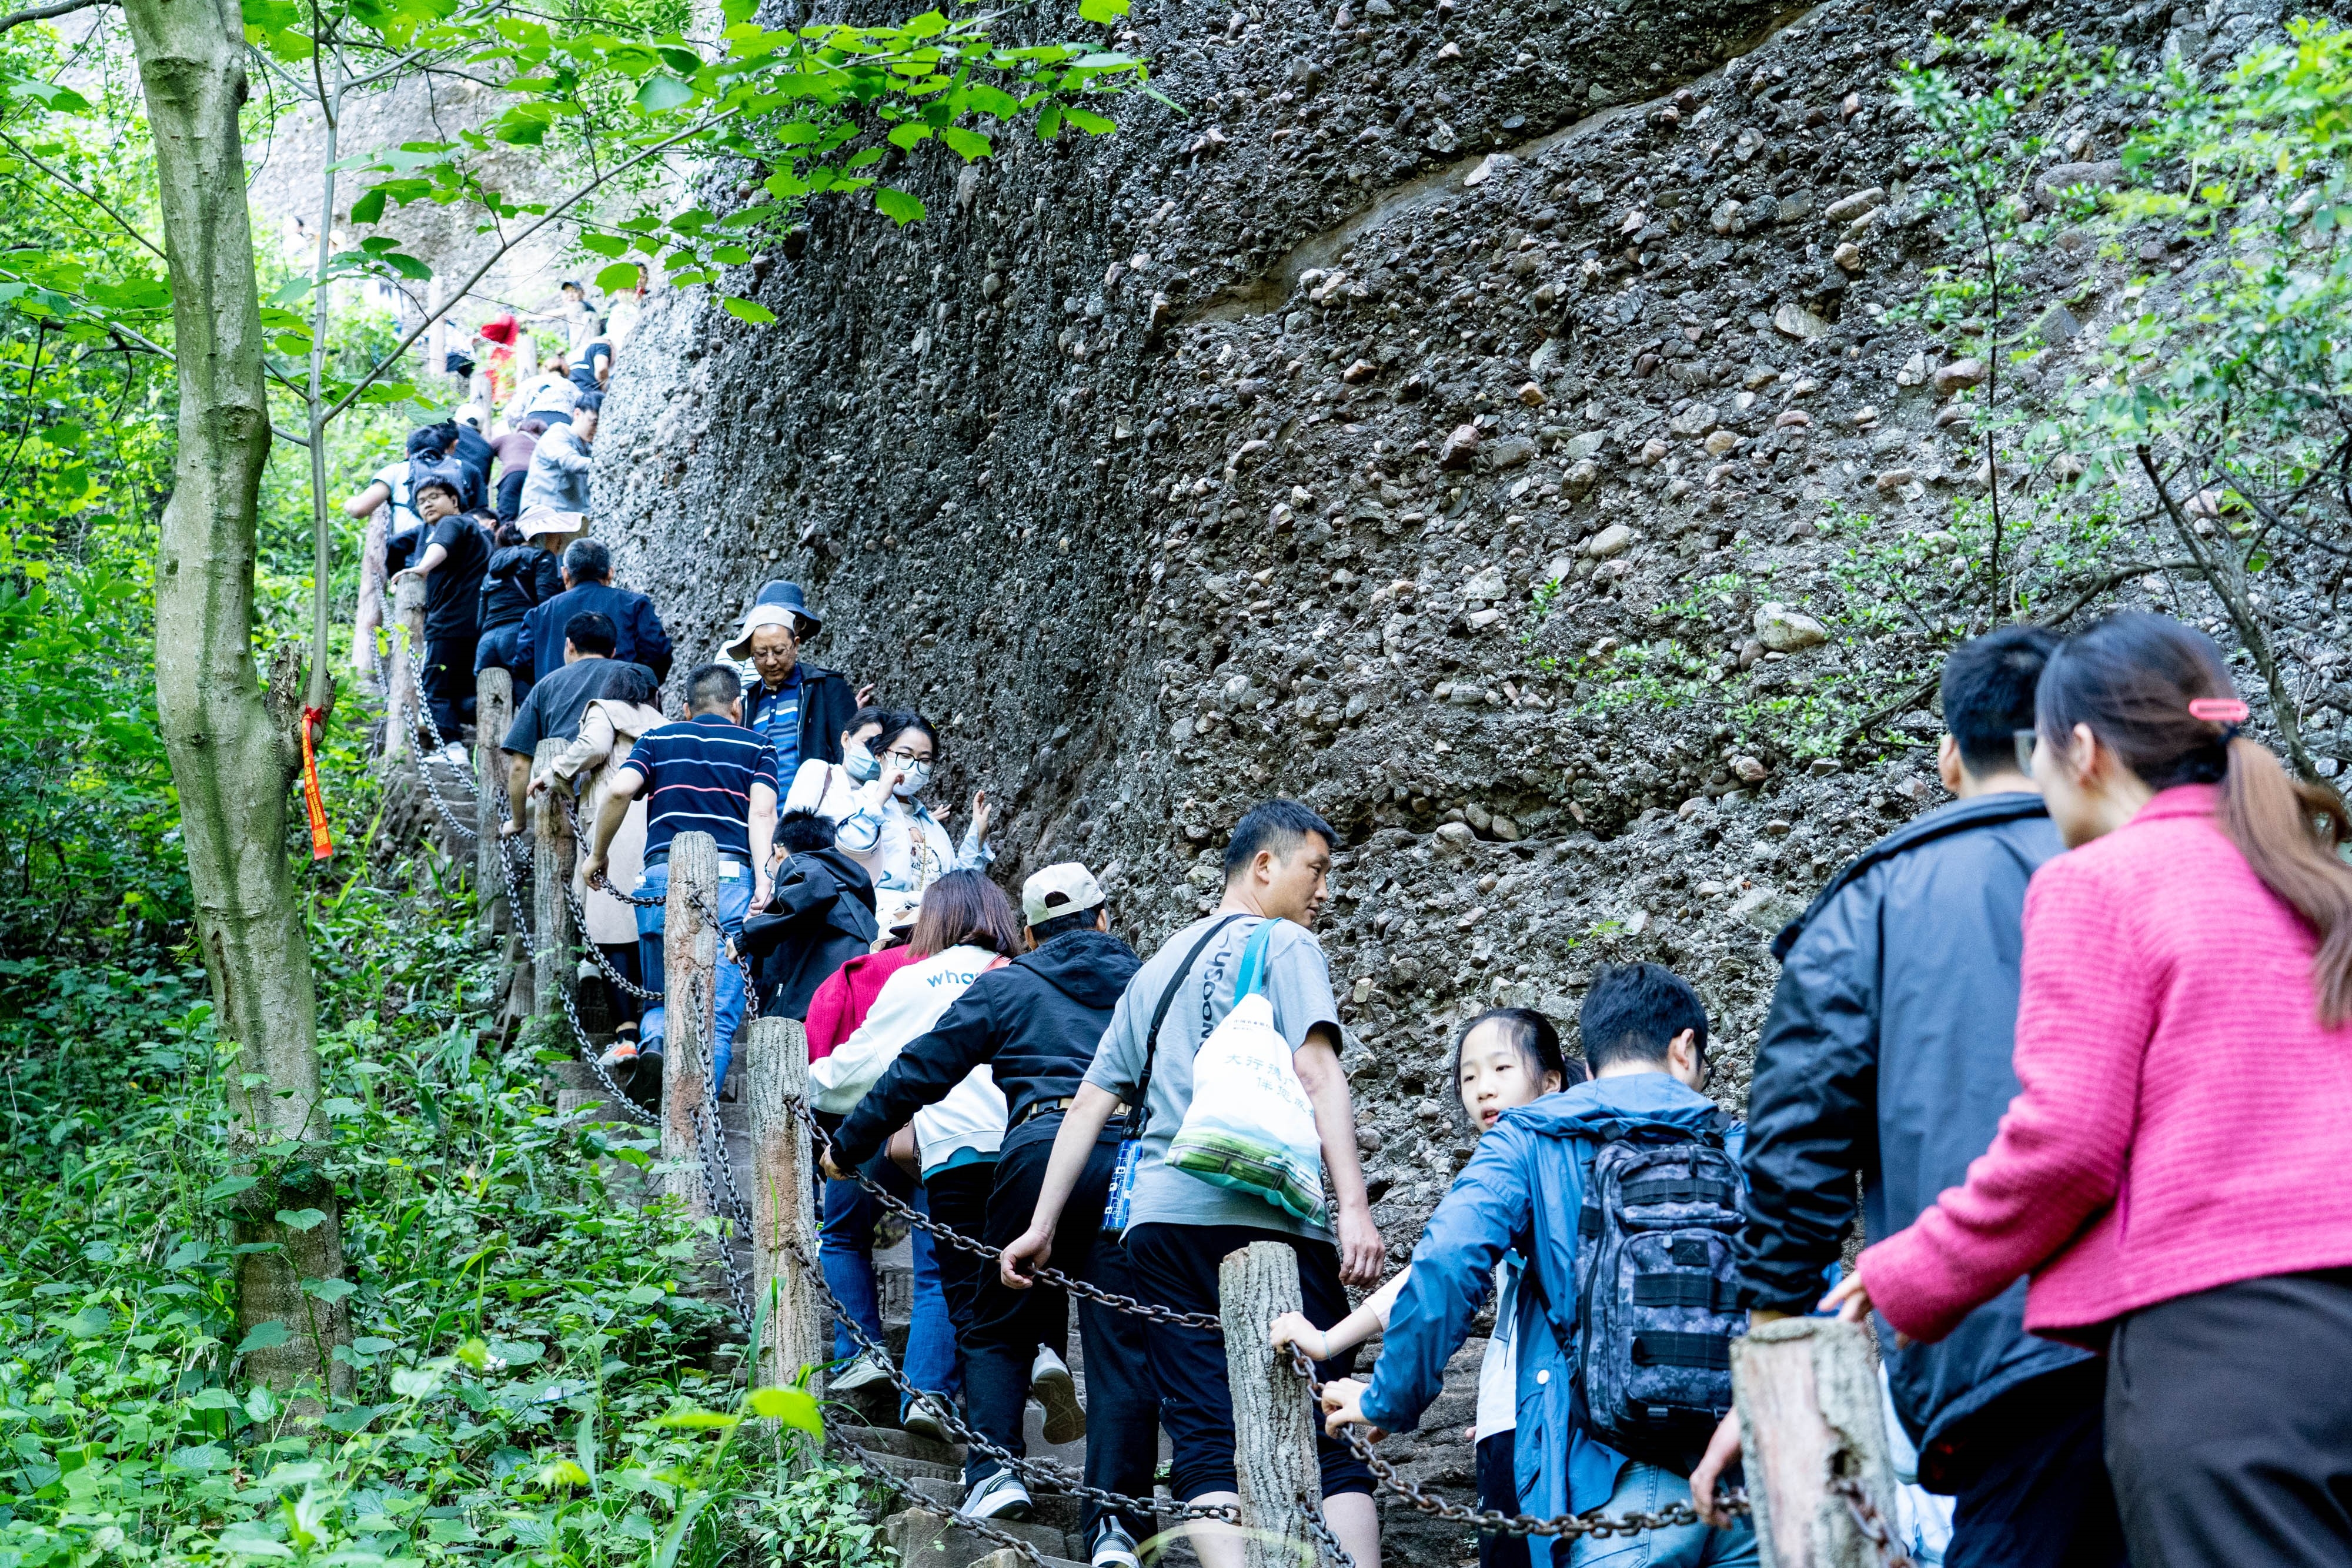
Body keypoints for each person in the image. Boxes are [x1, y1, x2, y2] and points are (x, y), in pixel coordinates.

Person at [1806, 613, 2352, 1568]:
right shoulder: (2313, 879)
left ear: (2085, 751)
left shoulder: (2096, 881)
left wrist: (1907, 1271)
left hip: (2225, 1353)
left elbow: (2066, 1143)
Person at [1689, 628, 2120, 1567]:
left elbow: (1794, 1156)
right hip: (2196, 1334)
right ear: (2081, 739)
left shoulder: (1871, 904)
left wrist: (1772, 1374)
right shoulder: (2156, 866)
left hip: (1999, 1349)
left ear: (1949, 755)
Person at [1000, 800, 1384, 1568]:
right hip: (1271, 1210)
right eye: (1317, 868)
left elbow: (1092, 1100)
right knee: (1328, 1424)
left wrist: (1041, 1224)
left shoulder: (1156, 965)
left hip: (1162, 1223)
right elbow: (1317, 1071)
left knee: (1206, 1435)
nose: (1325, 889)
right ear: (1265, 865)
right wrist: (1353, 1206)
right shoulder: (1287, 943)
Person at [1318, 965, 1758, 1568]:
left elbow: (1446, 1261)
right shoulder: (1744, 1147)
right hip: (1756, 1480)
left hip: (1611, 1479)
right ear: (1685, 1049)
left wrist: (1392, 1398)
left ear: (1591, 1065)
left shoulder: (1529, 1140)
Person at [827, 863, 1155, 1567]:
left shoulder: (1010, 984)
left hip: (1038, 1148)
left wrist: (848, 1149)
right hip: (1132, 1160)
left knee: (995, 1324)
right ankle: (1115, 1530)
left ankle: (995, 1473)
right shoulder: (1149, 986)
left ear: (1031, 934)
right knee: (1121, 1346)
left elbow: (919, 1070)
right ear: (1105, 918)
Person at [1272, 1011, 1585, 1568]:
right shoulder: (1563, 1160)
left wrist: (1336, 1352)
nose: (1482, 1087)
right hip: (1537, 1416)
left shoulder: (1529, 1159)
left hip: (1540, 1427)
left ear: (1552, 1080)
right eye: (1468, 1077)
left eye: (1501, 1068)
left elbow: (1435, 1273)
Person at [811, 871, 1017, 1443]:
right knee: (938, 1270)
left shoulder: (911, 976)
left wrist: (798, 1088)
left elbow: (845, 1078)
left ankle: (862, 1353)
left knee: (842, 1233)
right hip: (1003, 1147)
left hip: (909, 1133)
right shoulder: (1020, 976)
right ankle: (928, 1392)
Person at [583, 663, 777, 1097]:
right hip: (730, 881)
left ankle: (655, 1050)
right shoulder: (759, 746)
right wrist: (765, 882)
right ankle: (697, 1118)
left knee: (660, 995)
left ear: (686, 708)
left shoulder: (657, 738)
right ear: (737, 707)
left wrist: (597, 856)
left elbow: (618, 791)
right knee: (718, 1018)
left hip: (659, 879)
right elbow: (762, 814)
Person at [532, 661, 666, 1039]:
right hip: (657, 826)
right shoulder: (663, 722)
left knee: (610, 928)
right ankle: (655, 1026)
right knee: (646, 926)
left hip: (615, 825)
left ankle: (626, 1033)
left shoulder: (603, 709)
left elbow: (593, 747)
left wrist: (552, 773)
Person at [498, 611, 654, 833]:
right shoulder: (639, 675)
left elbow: (520, 766)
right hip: (634, 793)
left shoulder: (545, 686)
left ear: (569, 645)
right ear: (613, 651)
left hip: (569, 800)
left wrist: (518, 822)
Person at [833, 712, 991, 900]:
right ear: (880, 754)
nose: (915, 766)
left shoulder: (932, 826)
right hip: (884, 923)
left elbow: (959, 891)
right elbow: (848, 853)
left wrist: (977, 838)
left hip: (936, 922)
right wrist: (880, 799)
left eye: (924, 760)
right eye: (905, 755)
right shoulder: (856, 803)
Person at [737, 808, 878, 1019]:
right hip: (863, 991)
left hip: (823, 1003)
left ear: (779, 851)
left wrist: (746, 938)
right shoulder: (849, 884)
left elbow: (812, 887)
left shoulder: (801, 864)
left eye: (770, 869)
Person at [386, 476, 490, 753]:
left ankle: (451, 749)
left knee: (435, 688)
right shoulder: (474, 531)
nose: (427, 504)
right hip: (476, 624)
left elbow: (440, 545)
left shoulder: (453, 523)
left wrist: (421, 568)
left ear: (454, 501)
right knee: (463, 693)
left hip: (450, 623)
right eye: (421, 502)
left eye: (434, 497)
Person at [726, 580, 867, 779]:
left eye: (779, 651)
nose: (771, 661)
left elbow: (849, 757)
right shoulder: (746, 704)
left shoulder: (828, 688)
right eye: (760, 653)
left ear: (796, 644)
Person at [519, 536, 671, 688]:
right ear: (610, 573)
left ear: (565, 574)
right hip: (620, 702)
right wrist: (639, 689)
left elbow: (523, 664)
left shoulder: (538, 614)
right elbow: (657, 654)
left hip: (558, 705)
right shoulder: (634, 605)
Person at [474, 511, 574, 706]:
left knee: (493, 703)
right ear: (541, 536)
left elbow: (481, 619)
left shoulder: (491, 571)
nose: (560, 543)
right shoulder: (541, 558)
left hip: (487, 643)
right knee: (528, 702)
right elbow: (546, 606)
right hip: (519, 637)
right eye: (556, 536)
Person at [783, 707, 892, 826]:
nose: (874, 753)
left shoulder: (887, 795)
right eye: (868, 743)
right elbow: (790, 828)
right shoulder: (819, 771)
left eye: (881, 749)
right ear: (845, 739)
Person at [520, 391, 597, 516]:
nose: (597, 429)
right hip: (544, 517)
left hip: (567, 518)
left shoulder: (588, 447)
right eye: (594, 422)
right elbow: (571, 462)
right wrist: (607, 463)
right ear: (577, 414)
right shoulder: (557, 433)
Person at [490, 416, 547, 524]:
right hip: (537, 479)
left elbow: (486, 449)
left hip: (514, 474)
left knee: (506, 518)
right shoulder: (542, 444)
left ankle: (503, 537)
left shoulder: (509, 437)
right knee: (531, 519)